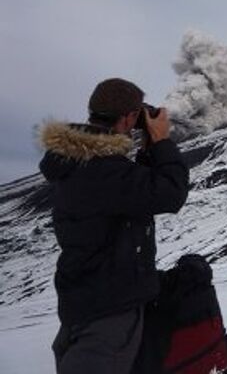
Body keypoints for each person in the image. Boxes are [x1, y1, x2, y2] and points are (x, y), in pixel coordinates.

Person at [39, 77, 190, 374]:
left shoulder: (79, 163)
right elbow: (170, 194)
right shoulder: (102, 169)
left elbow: (134, 196)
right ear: (129, 117)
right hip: (109, 312)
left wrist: (147, 151)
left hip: (84, 301)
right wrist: (161, 142)